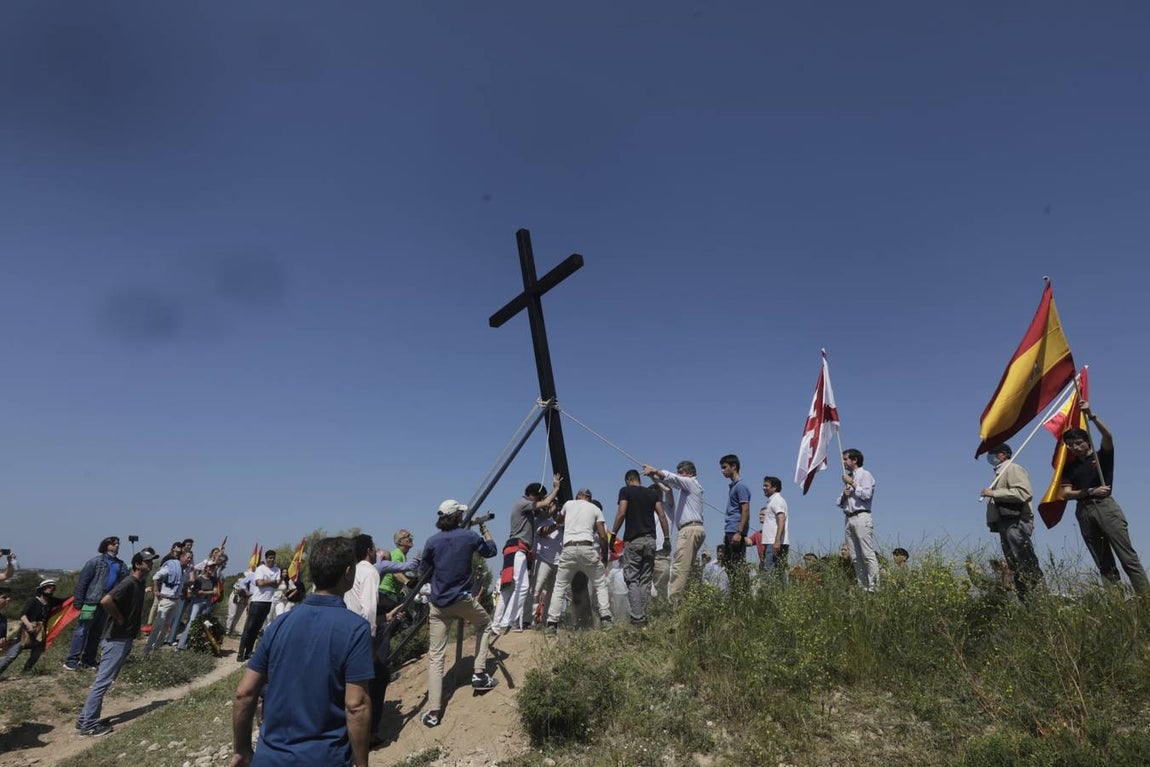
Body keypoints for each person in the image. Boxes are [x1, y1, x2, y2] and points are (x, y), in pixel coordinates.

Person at [230, 537, 374, 767]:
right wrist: (362, 764)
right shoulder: (355, 629)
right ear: (348, 572)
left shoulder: (280, 624)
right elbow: (356, 705)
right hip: (325, 758)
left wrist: (242, 751)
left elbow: (244, 693)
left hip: (269, 758)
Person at [419, 500, 499, 729]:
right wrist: (484, 529)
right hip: (461, 599)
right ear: (459, 516)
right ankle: (480, 674)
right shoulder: (469, 537)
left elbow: (423, 571)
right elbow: (491, 551)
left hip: (438, 603)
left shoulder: (432, 541)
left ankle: (433, 711)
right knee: (485, 624)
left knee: (436, 657)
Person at [1059, 404, 1149, 593]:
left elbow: (1108, 437)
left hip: (1106, 508)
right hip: (1084, 510)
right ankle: (1116, 605)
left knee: (1127, 557)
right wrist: (1089, 491)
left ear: (1087, 441)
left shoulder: (1102, 456)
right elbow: (1065, 493)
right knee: (1103, 561)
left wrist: (1092, 416)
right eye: (1071, 445)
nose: (1075, 447)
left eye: (1078, 443)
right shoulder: (1070, 467)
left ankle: (1145, 600)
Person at [76, 547, 160, 736]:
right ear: (138, 564)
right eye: (147, 561)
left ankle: (84, 719)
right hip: (116, 638)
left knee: (105, 679)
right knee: (103, 681)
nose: (150, 564)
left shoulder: (139, 583)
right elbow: (106, 600)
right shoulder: (129, 583)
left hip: (124, 637)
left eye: (151, 561)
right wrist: (120, 618)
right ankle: (89, 725)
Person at [492, 474, 562, 636]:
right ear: (534, 495)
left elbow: (546, 513)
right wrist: (556, 489)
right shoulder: (523, 503)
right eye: (540, 496)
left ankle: (497, 625)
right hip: (518, 549)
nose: (543, 500)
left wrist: (554, 507)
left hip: (514, 550)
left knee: (508, 589)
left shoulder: (527, 510)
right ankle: (507, 621)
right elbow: (544, 504)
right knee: (523, 587)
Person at [544, 489, 614, 634]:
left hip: (569, 549)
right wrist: (605, 556)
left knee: (559, 586)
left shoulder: (569, 504)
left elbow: (558, 521)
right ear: (589, 497)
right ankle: (606, 618)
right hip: (587, 548)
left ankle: (552, 623)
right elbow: (602, 535)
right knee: (600, 583)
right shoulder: (595, 508)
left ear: (578, 496)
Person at [980, 443, 1044, 599]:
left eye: (994, 453)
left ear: (1004, 454)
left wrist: (994, 493)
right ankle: (1024, 598)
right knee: (1013, 563)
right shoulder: (999, 472)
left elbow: (1023, 492)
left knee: (1024, 559)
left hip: (1015, 521)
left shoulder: (1012, 468)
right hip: (1004, 523)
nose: (991, 457)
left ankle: (1038, 595)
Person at [610, 469, 670, 626]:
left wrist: (613, 533)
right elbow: (662, 516)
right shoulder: (652, 494)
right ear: (639, 480)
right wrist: (667, 538)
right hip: (651, 541)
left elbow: (621, 513)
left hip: (634, 540)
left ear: (629, 480)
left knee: (632, 579)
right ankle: (642, 615)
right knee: (645, 580)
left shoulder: (625, 491)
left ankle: (637, 618)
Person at [642, 461, 705, 603]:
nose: (678, 474)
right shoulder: (688, 488)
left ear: (689, 473)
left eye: (681, 471)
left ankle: (674, 604)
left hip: (689, 529)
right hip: (693, 529)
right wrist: (654, 477)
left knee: (679, 568)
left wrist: (654, 470)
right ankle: (688, 601)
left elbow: (671, 481)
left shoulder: (690, 482)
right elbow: (671, 485)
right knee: (687, 569)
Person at [65, 536, 127, 671]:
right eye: (113, 544)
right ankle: (71, 660)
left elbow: (123, 583)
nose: (117, 546)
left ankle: (88, 659)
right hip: (90, 601)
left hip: (107, 604)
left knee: (97, 632)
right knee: (82, 631)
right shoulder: (94, 562)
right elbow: (83, 582)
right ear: (106, 545)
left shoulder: (121, 564)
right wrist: (78, 601)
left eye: (118, 544)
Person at [0, 579, 62, 676]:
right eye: (49, 587)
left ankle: (25, 673)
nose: (51, 589)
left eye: (53, 587)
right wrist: (29, 626)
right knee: (12, 655)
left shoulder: (51, 602)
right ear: (42, 589)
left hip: (40, 633)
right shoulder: (32, 601)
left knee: (36, 655)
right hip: (25, 633)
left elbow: (66, 601)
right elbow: (23, 615)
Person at [839, 449, 879, 592]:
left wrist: (853, 484)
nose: (843, 462)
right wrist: (844, 494)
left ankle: (874, 587)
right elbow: (839, 502)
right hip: (849, 517)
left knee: (867, 554)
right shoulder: (848, 477)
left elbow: (867, 494)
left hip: (862, 516)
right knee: (855, 556)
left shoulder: (865, 474)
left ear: (855, 460)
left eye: (845, 459)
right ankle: (863, 586)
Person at [146, 549, 192, 655]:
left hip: (176, 600)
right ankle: (147, 649)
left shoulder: (185, 570)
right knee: (158, 625)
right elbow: (156, 577)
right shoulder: (171, 567)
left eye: (190, 558)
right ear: (182, 557)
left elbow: (183, 583)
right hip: (166, 599)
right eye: (187, 557)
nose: (189, 560)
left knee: (166, 627)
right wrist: (156, 590)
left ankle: (156, 649)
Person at [237, 550, 280, 662]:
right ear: (266, 558)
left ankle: (248, 652)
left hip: (268, 601)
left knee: (256, 629)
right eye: (270, 557)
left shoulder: (277, 569)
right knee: (249, 628)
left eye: (273, 557)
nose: (272, 559)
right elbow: (259, 583)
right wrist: (271, 581)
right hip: (257, 601)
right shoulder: (260, 569)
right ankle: (240, 652)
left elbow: (277, 585)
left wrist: (267, 581)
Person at [719, 455, 752, 578]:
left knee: (737, 564)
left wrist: (739, 532)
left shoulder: (740, 486)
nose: (722, 470)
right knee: (729, 564)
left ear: (734, 466)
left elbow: (745, 509)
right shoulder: (733, 487)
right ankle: (735, 594)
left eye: (725, 467)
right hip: (730, 529)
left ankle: (742, 594)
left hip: (736, 530)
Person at [531, 501, 563, 626]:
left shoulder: (563, 525)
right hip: (543, 560)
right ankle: (530, 620)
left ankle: (545, 622)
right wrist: (558, 523)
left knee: (553, 593)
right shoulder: (540, 521)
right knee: (536, 591)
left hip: (558, 562)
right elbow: (543, 532)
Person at [178, 561, 221, 650]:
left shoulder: (214, 580)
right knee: (191, 621)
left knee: (204, 623)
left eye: (213, 567)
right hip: (197, 601)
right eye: (210, 567)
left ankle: (195, 643)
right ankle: (181, 644)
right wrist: (209, 592)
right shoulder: (199, 579)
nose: (211, 569)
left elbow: (216, 592)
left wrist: (204, 592)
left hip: (208, 602)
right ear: (205, 568)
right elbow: (196, 592)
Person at [377, 529, 416, 615]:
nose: (411, 538)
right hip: (387, 592)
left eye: (410, 536)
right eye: (407, 536)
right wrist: (408, 582)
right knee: (402, 621)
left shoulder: (402, 555)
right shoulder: (397, 554)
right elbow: (395, 572)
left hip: (391, 593)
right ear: (400, 542)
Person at [760, 475, 790, 585]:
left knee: (770, 574)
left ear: (774, 487)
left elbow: (781, 519)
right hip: (772, 542)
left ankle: (771, 598)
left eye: (766, 485)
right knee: (778, 573)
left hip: (774, 543)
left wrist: (777, 540)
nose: (764, 488)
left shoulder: (777, 500)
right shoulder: (771, 502)